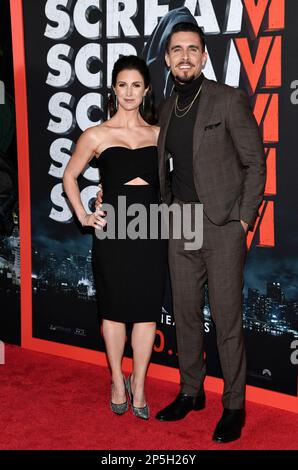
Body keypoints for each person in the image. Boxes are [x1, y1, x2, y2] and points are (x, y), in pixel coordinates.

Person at [153, 22, 266, 443]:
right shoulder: (166, 107)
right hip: (180, 221)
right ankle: (190, 391)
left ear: (203, 57)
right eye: (176, 49)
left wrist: (242, 220)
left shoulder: (227, 99)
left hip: (222, 226)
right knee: (183, 314)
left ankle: (234, 404)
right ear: (167, 59)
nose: (184, 56)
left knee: (226, 320)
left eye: (192, 49)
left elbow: (256, 163)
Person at [63, 55, 167, 420]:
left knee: (145, 313)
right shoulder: (97, 134)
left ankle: (139, 384)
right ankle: (117, 382)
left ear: (146, 90)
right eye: (122, 84)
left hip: (152, 229)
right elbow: (69, 177)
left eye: (136, 85)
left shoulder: (159, 134)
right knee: (113, 311)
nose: (129, 92)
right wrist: (85, 215)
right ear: (113, 89)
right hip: (114, 230)